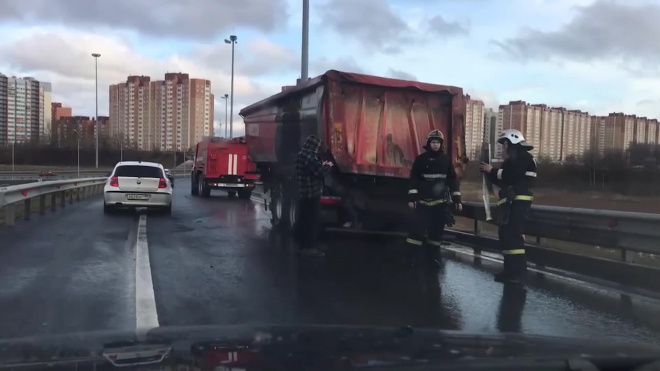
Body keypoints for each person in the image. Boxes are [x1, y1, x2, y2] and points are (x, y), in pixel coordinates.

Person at [479, 129, 536, 284]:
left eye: (505, 143)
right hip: (511, 203)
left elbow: (512, 176)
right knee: (505, 235)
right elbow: (503, 180)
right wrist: (489, 173)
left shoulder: (525, 158)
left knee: (514, 236)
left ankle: (518, 273)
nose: (504, 147)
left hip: (520, 202)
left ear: (512, 142)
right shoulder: (512, 161)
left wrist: (493, 171)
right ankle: (509, 271)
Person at [406, 130, 462, 268]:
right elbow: (414, 179)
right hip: (422, 204)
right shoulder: (421, 159)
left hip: (439, 205)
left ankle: (433, 259)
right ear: (429, 143)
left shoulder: (446, 160)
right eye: (433, 142)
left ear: (441, 144)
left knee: (436, 235)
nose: (435, 145)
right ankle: (411, 259)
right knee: (416, 232)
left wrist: (457, 200)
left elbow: (452, 181)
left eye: (438, 142)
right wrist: (412, 198)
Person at [295, 135, 333, 258]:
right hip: (312, 194)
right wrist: (328, 165)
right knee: (312, 222)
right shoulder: (310, 157)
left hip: (303, 193)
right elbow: (320, 173)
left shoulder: (301, 154)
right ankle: (310, 248)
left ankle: (302, 246)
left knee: (304, 220)